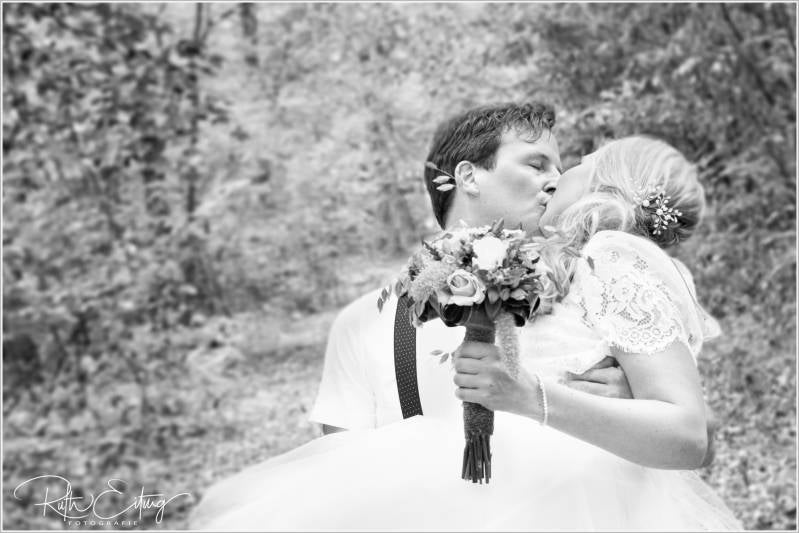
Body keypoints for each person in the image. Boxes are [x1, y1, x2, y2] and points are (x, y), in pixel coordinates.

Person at [188, 104, 740, 530]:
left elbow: (690, 435)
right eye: (537, 164)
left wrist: (617, 403)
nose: (556, 179)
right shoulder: (366, 325)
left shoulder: (586, 277)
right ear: (469, 177)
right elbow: (346, 480)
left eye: (565, 166)